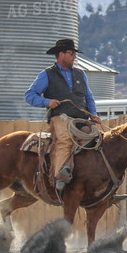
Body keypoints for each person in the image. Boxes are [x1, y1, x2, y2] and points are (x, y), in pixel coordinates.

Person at [25, 38, 101, 193]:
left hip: (81, 117)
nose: (74, 57)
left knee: (96, 137)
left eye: (74, 54)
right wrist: (47, 102)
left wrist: (93, 114)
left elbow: (88, 97)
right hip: (60, 117)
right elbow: (29, 95)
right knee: (64, 139)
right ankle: (59, 176)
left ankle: (93, 178)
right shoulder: (47, 75)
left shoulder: (80, 75)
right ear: (61, 54)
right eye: (71, 53)